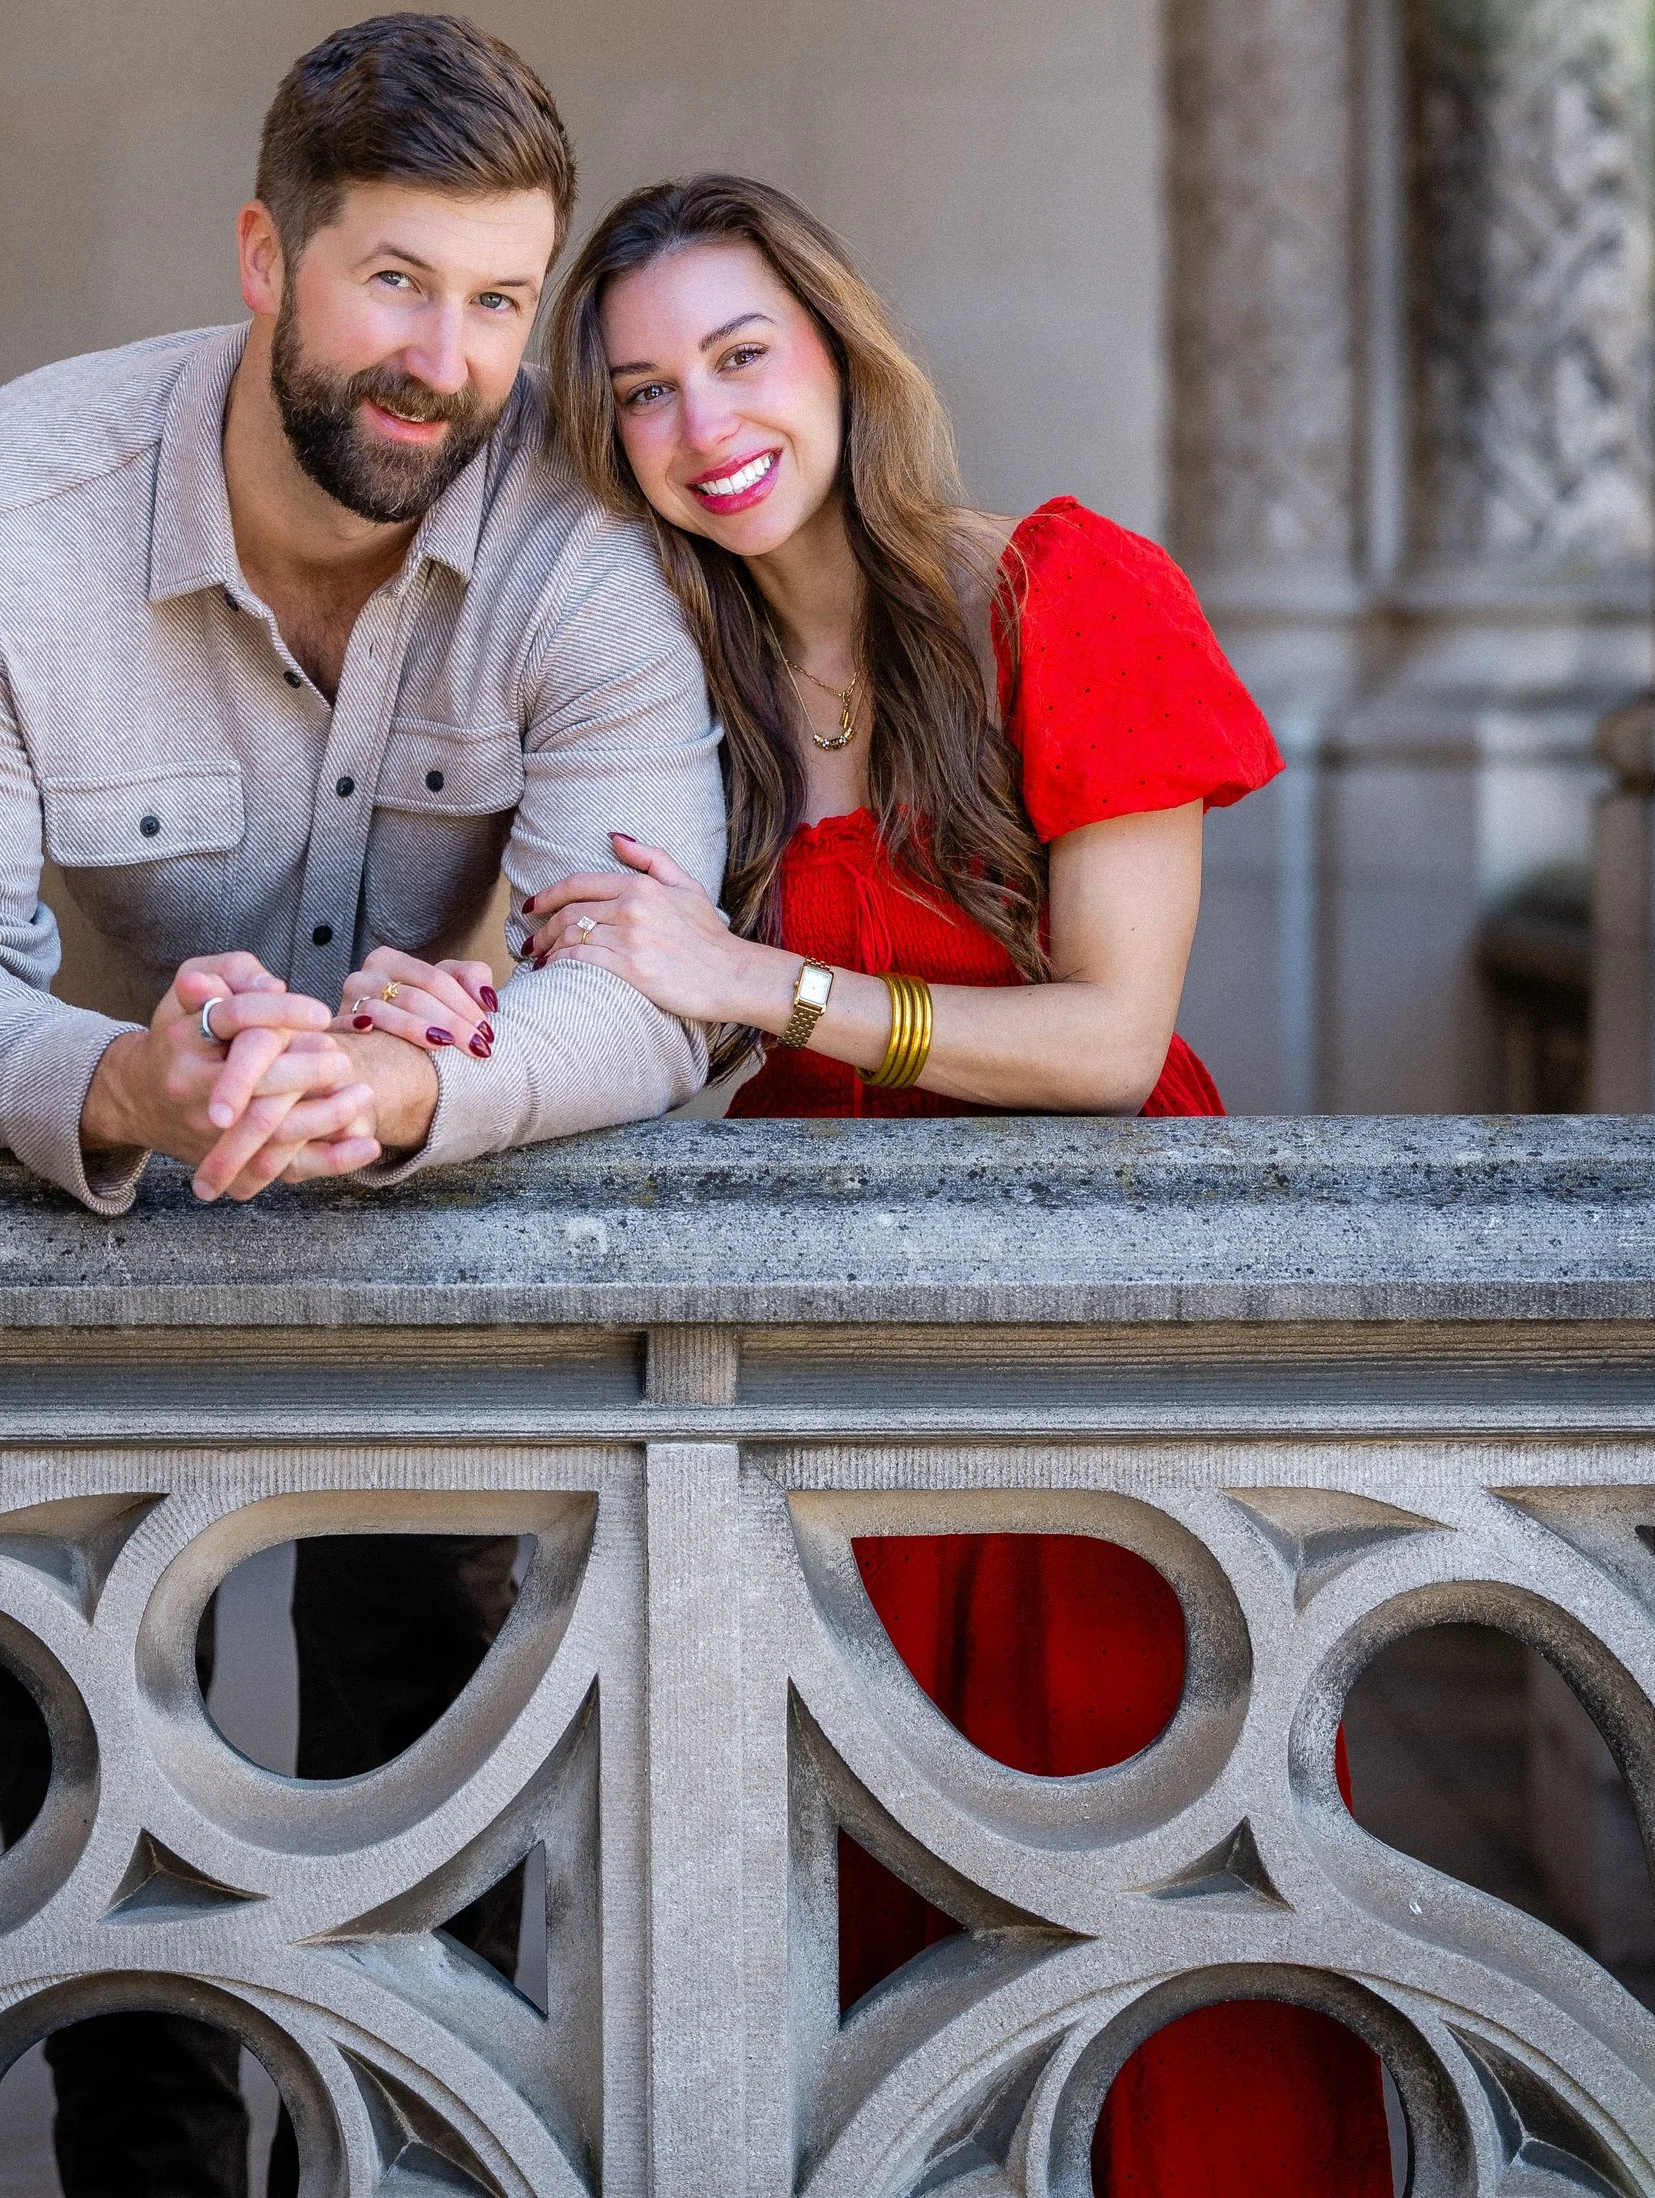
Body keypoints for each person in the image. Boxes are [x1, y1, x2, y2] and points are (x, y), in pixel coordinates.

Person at [0, 15, 731, 2198]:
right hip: (117, 1215)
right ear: (266, 253)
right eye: (394, 282)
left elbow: (648, 996)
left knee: (433, 1823)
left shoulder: (578, 549)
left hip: (444, 1246)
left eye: (502, 300)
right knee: (92, 1750)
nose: (447, 360)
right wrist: (121, 1073)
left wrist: (420, 1079)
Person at [502, 171, 1392, 2196]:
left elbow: (1099, 1039)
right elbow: (561, 967)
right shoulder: (658, 681)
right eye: (640, 392)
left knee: (1139, 1918)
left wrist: (762, 980)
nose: (703, 424)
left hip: (1085, 1358)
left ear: (834, 350)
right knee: (842, 1965)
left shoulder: (1061, 592)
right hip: (803, 1379)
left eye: (740, 356)